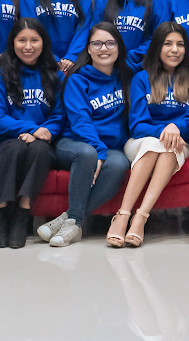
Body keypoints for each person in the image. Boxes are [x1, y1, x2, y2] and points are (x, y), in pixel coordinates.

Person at [114, 22, 189, 247]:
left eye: (180, 45)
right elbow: (137, 124)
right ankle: (124, 214)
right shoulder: (141, 79)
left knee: (167, 147)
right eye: (168, 44)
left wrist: (177, 128)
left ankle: (139, 217)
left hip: (180, 143)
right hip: (140, 142)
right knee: (157, 145)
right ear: (157, 47)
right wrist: (166, 129)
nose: (175, 49)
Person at [48, 22, 133, 247]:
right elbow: (80, 121)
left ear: (119, 47)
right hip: (74, 142)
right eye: (96, 43)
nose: (103, 48)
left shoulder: (126, 76)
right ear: (88, 49)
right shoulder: (77, 79)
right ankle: (76, 222)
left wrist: (106, 151)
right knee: (87, 154)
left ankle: (70, 219)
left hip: (111, 147)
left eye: (109, 43)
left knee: (119, 164)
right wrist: (99, 151)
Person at [0, 18, 64, 248]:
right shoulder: (0, 74)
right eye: (22, 40)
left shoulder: (55, 75)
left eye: (34, 40)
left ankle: (23, 212)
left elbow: (59, 116)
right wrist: (32, 129)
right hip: (4, 142)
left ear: (43, 43)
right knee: (15, 146)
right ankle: (1, 213)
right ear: (12, 43)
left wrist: (44, 132)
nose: (28, 46)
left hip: (42, 142)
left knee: (40, 149)